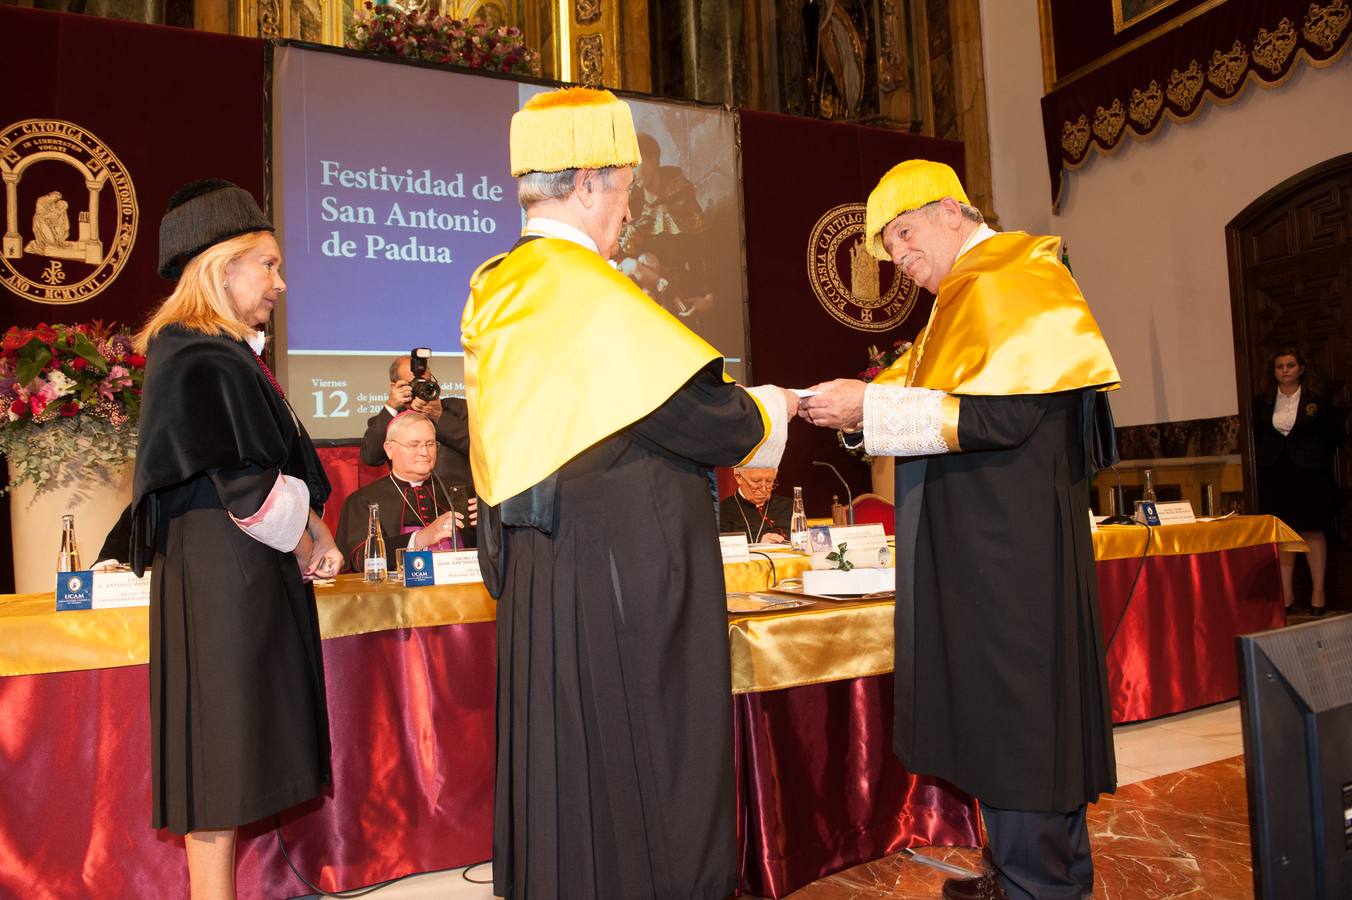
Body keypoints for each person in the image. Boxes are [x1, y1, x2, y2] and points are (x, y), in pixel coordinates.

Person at [463, 86, 796, 900]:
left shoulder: (503, 282)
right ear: (584, 184)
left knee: (566, 768)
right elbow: (696, 414)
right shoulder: (579, 288)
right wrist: (775, 407)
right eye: (623, 189)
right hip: (614, 580)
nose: (626, 210)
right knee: (641, 769)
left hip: (549, 569)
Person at [799, 160, 1121, 900]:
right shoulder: (973, 294)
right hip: (993, 541)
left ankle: (1036, 883)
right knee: (1016, 714)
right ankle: (1027, 872)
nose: (901, 263)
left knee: (1017, 716)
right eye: (890, 250)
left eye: (906, 238)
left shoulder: (1006, 276)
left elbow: (1002, 417)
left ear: (952, 211)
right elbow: (936, 398)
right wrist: (856, 411)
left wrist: (867, 411)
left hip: (1006, 550)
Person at [130, 179, 343, 900]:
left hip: (239, 575)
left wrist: (311, 529)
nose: (280, 283)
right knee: (216, 768)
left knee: (231, 757)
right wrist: (308, 535)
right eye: (268, 264)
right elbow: (248, 487)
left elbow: (266, 466)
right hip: (222, 579)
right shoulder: (196, 356)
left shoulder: (222, 354)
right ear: (222, 269)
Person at [1253, 346, 1341, 616]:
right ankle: (1287, 594)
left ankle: (1318, 593)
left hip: (1310, 474)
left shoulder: (1316, 399)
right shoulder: (1264, 400)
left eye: (1290, 365)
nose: (1285, 370)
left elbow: (1331, 436)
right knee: (1285, 533)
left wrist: (1312, 456)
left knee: (1312, 530)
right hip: (1277, 474)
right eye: (1280, 366)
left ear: (1301, 368)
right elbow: (1260, 435)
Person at [336, 410, 473, 572]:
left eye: (430, 444)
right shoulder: (364, 500)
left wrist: (487, 522)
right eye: (414, 445)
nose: (424, 452)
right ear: (389, 449)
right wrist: (420, 538)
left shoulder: (459, 490)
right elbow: (361, 560)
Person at [360, 354, 473, 490]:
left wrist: (439, 416)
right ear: (395, 386)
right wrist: (391, 406)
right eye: (413, 383)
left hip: (456, 498)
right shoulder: (392, 418)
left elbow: (482, 450)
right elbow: (371, 457)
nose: (421, 387)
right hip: (411, 501)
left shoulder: (459, 409)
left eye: (426, 382)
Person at [718, 466, 792, 542]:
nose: (763, 489)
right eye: (756, 481)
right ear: (739, 478)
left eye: (769, 481)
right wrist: (758, 544)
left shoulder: (789, 506)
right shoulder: (721, 512)